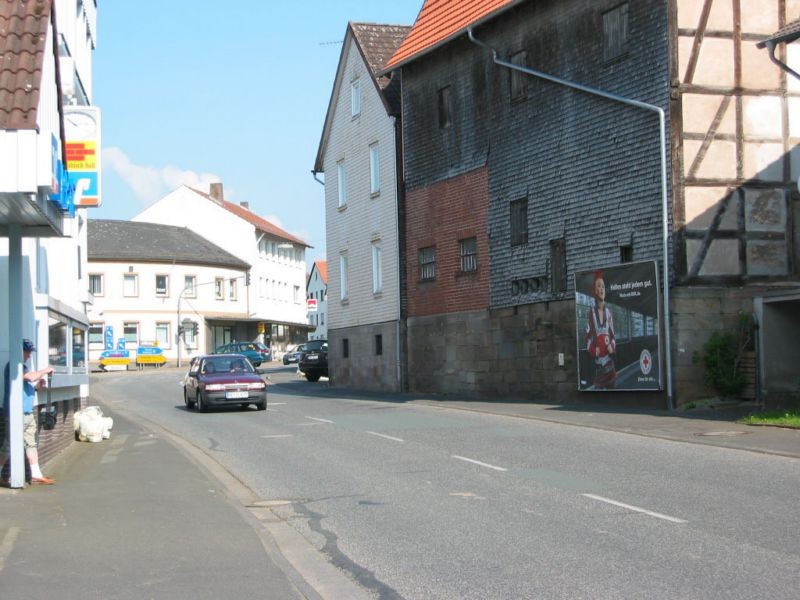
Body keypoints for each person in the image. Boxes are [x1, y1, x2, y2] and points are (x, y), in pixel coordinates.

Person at [2, 339, 56, 485]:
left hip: (27, 413)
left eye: (30, 352)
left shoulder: (23, 366)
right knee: (9, 446)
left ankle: (36, 474)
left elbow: (26, 387)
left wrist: (37, 386)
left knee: (31, 444)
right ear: (19, 351)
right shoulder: (14, 366)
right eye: (27, 352)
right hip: (15, 414)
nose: (29, 355)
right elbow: (30, 377)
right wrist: (45, 370)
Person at [585, 272, 617, 389]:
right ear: (594, 290)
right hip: (599, 368)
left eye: (603, 286)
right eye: (599, 286)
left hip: (610, 366)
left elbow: (614, 338)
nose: (602, 289)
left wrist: (611, 347)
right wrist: (594, 350)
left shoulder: (609, 313)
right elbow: (587, 339)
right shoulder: (591, 314)